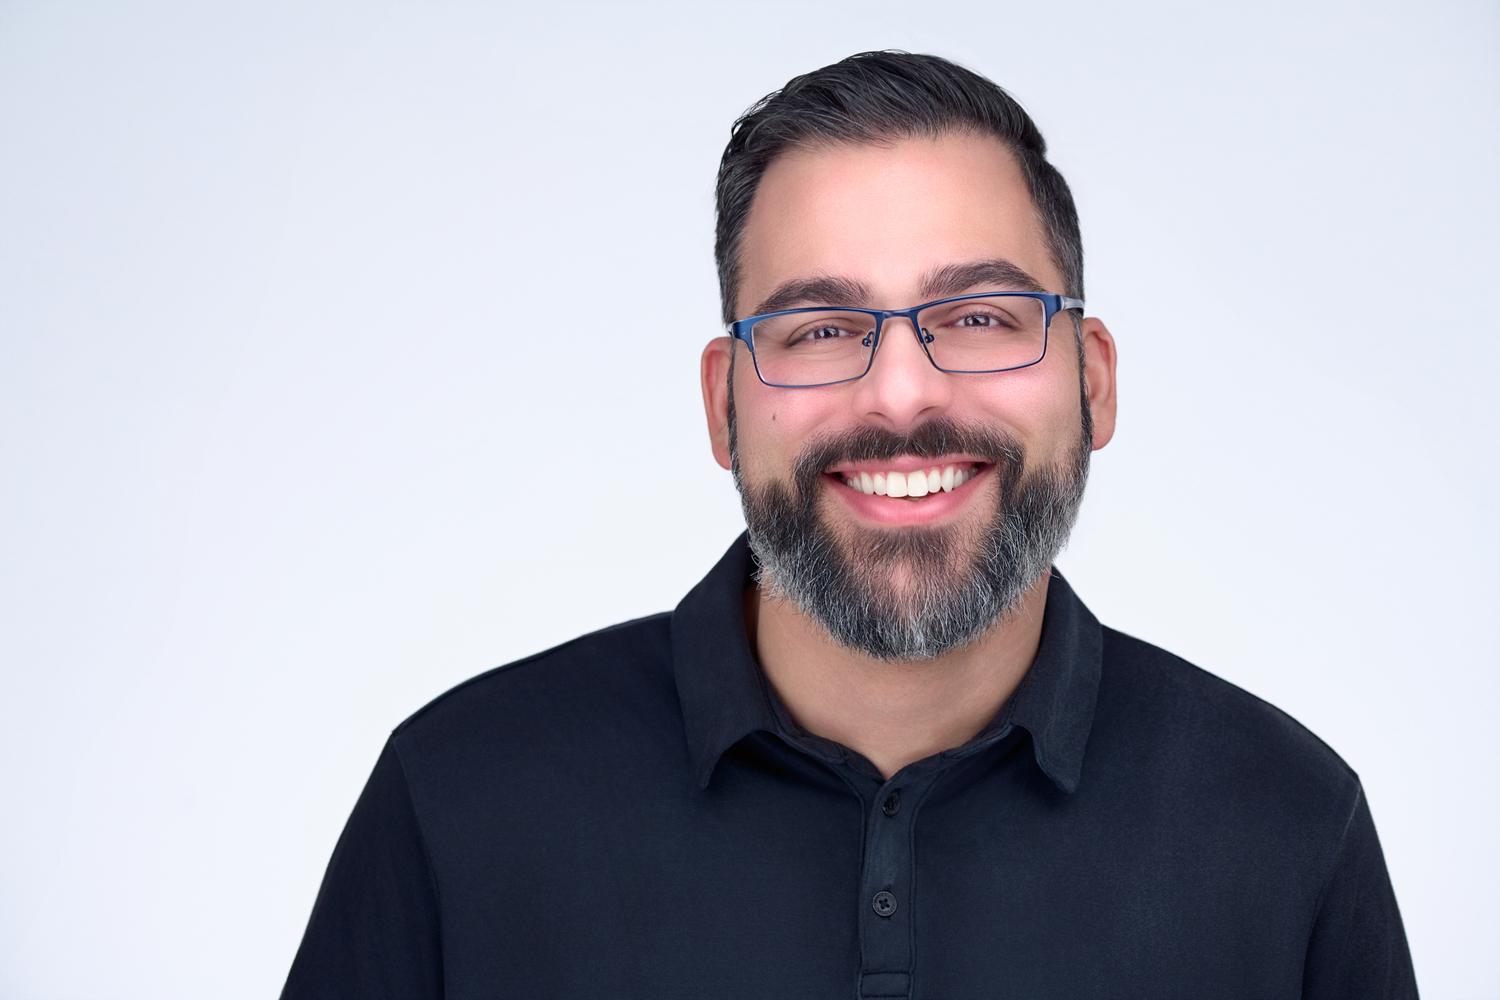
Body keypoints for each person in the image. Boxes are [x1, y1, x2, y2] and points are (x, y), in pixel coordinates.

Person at [281, 51, 1417, 999]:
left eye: (979, 316)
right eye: (821, 329)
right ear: (723, 404)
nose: (901, 396)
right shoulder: (457, 803)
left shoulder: (1287, 829)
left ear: (1094, 381)